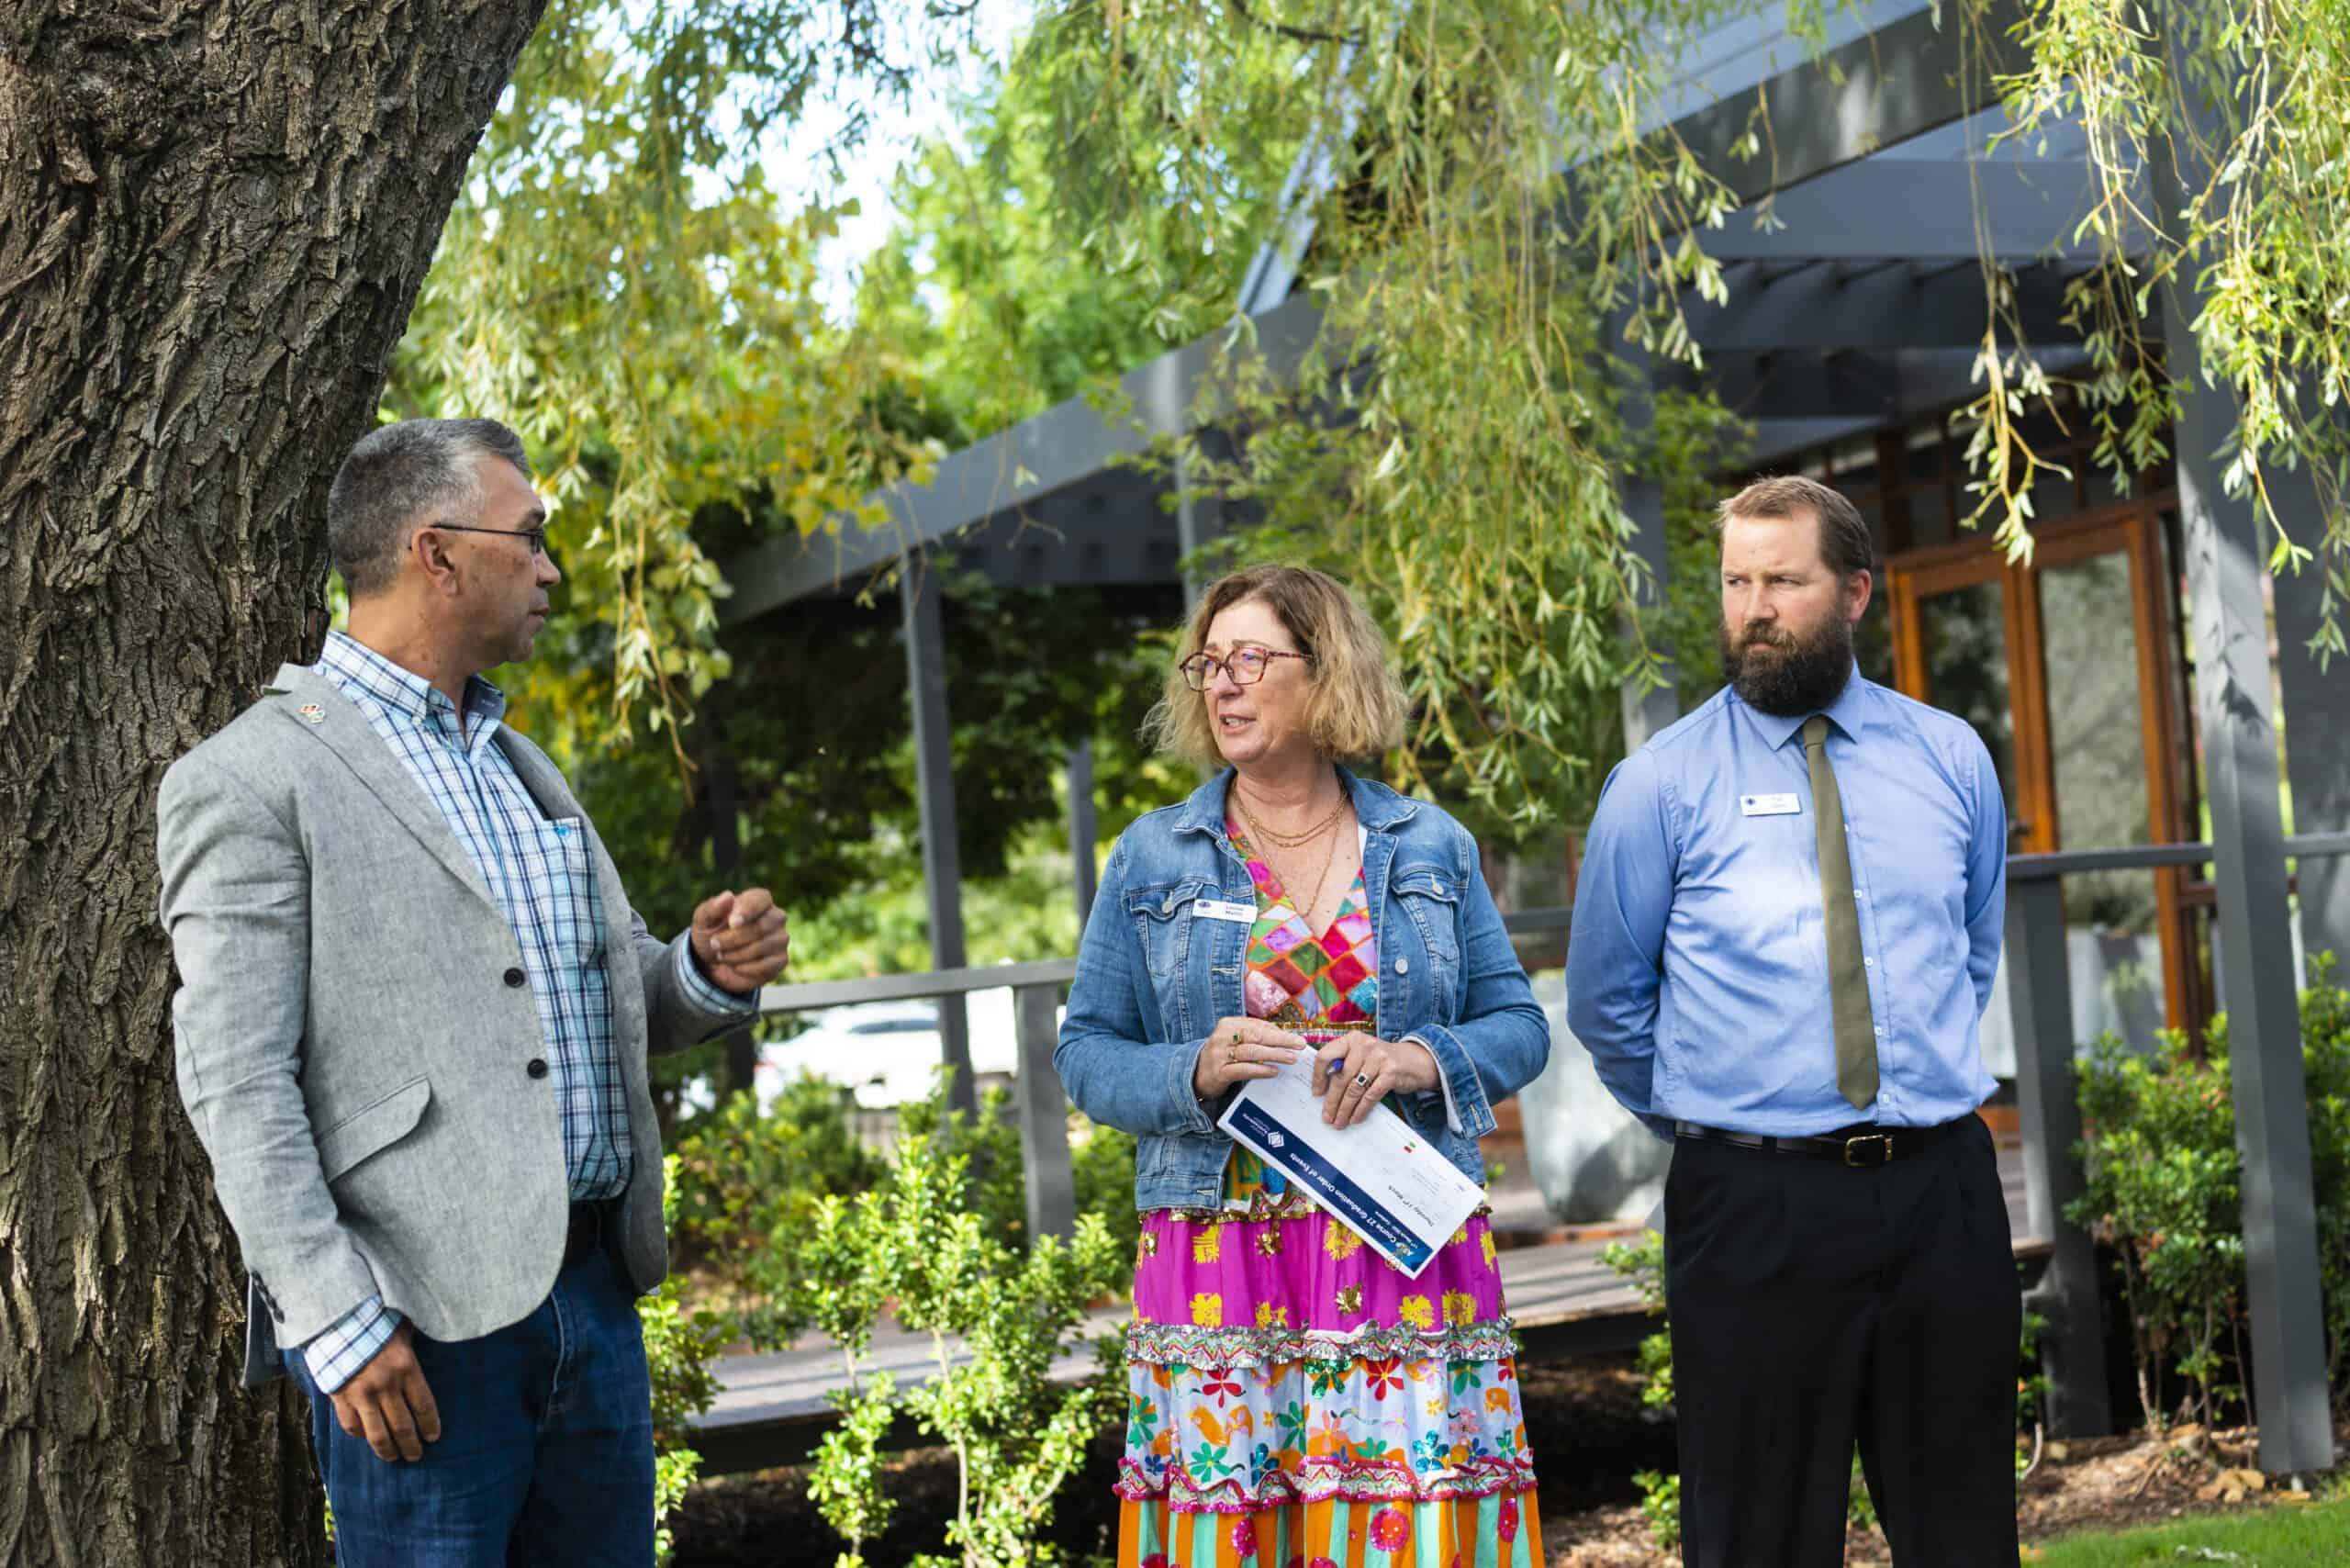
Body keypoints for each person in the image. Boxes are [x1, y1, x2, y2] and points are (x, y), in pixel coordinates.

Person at [156, 418, 793, 1567]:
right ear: (436, 553)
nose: (550, 569)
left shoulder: (518, 763)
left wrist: (700, 972)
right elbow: (233, 1080)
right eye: (533, 538)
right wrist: (339, 1327)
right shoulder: (250, 779)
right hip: (416, 1336)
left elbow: (595, 1009)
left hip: (592, 1302)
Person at [1057, 565, 1551, 1568]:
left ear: (1324, 672)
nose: (1222, 684)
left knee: (1408, 1525)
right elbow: (1085, 1052)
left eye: (1250, 658)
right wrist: (1191, 1069)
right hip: (1218, 1253)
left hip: (1402, 1242)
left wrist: (1421, 1056)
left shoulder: (1429, 844)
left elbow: (1520, 1024)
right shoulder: (1154, 855)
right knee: (1236, 1523)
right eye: (1208, 663)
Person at [1565, 475, 2017, 1565]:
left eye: (1783, 579)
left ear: (1854, 591)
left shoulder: (1948, 756)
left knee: (1962, 1526)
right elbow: (1608, 1003)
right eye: (1735, 581)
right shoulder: (1658, 785)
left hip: (1941, 1194)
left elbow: (1970, 949)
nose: (1753, 607)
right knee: (1757, 1534)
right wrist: (1728, 1121)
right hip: (1754, 1206)